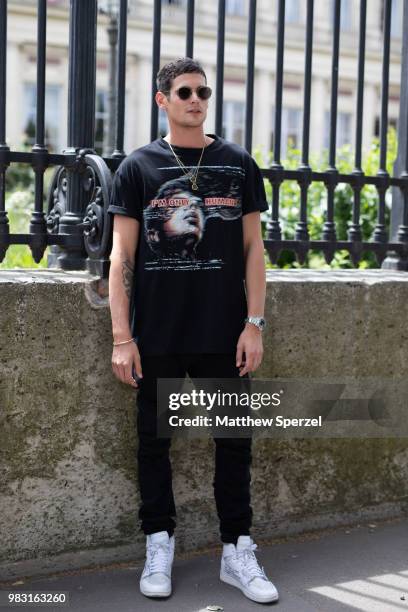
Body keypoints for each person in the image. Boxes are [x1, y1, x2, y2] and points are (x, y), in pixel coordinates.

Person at [107, 57, 279, 604]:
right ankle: (159, 542)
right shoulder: (137, 167)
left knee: (234, 442)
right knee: (154, 443)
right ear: (162, 99)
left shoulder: (237, 164)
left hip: (223, 332)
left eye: (203, 91)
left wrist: (254, 324)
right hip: (156, 334)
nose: (196, 99)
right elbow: (120, 260)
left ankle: (237, 550)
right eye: (184, 91)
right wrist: (120, 337)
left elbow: (254, 250)